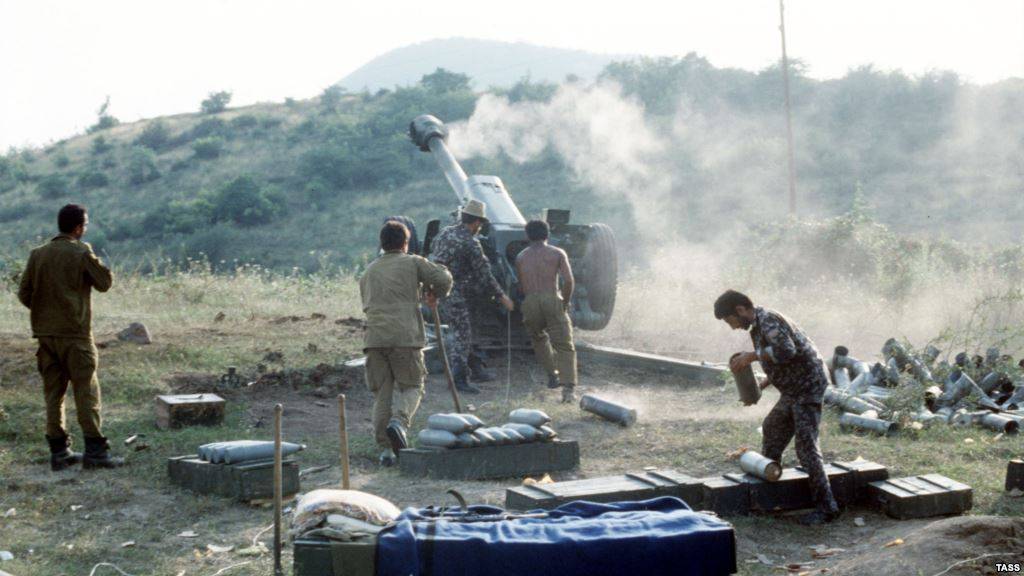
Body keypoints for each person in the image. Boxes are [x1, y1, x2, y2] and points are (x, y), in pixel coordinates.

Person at [715, 289, 840, 525]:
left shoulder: (768, 319)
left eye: (730, 320)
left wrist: (751, 357)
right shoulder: (759, 326)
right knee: (772, 428)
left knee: (806, 447)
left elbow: (787, 350)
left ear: (740, 310)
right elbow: (782, 360)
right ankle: (770, 492)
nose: (732, 327)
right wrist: (762, 384)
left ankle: (827, 507)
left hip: (808, 387)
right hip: (794, 389)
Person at [17, 204, 124, 470]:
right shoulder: (80, 251)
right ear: (78, 228)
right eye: (84, 225)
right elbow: (104, 283)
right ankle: (96, 453)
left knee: (54, 395)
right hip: (75, 336)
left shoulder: (37, 254)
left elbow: (24, 294)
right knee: (86, 392)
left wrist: (45, 312)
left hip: (45, 336)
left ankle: (59, 453)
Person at [360, 221, 453, 466]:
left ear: (381, 243)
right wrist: (434, 293)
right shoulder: (413, 261)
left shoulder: (369, 271)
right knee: (413, 386)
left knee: (382, 393)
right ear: (406, 242)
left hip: (374, 339)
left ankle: (386, 452)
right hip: (405, 337)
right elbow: (443, 279)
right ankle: (399, 423)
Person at [428, 199, 515, 394]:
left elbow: (434, 254)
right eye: (480, 224)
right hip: (457, 295)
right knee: (462, 334)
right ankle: (458, 380)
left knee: (466, 331)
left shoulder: (445, 233)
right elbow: (484, 274)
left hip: (443, 292)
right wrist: (502, 297)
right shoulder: (470, 243)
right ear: (476, 223)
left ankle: (475, 368)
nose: (480, 228)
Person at [515, 220, 578, 403]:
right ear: (547, 234)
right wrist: (563, 303)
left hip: (530, 301)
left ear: (527, 236)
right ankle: (568, 390)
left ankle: (552, 374)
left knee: (538, 338)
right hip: (552, 297)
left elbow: (520, 286)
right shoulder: (557, 253)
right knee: (564, 345)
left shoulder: (520, 257)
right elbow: (568, 281)